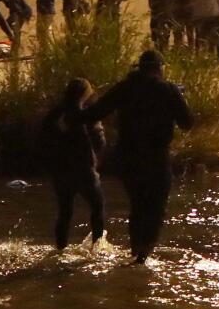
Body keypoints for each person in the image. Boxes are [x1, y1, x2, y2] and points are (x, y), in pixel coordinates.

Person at [85, 50, 193, 263]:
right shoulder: (168, 90)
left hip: (128, 157)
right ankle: (143, 257)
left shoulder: (125, 88)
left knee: (137, 205)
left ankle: (136, 252)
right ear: (159, 68)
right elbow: (187, 123)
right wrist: (178, 98)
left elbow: (95, 112)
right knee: (155, 207)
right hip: (156, 157)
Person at [39, 77, 106, 249]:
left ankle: (60, 248)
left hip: (61, 171)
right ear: (85, 94)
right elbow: (99, 142)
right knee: (97, 207)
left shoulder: (55, 114)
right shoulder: (87, 114)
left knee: (64, 212)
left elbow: (43, 139)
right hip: (84, 170)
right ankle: (96, 248)